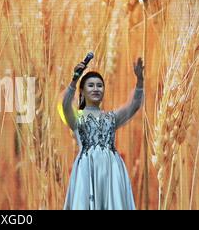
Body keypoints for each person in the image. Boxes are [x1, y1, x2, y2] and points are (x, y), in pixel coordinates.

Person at [62, 58, 144, 210]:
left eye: (100, 86)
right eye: (91, 85)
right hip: (87, 168)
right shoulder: (76, 118)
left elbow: (133, 106)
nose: (96, 89)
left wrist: (140, 81)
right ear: (82, 91)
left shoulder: (111, 117)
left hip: (112, 168)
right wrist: (74, 81)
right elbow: (65, 105)